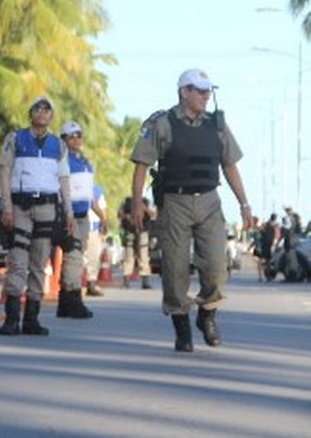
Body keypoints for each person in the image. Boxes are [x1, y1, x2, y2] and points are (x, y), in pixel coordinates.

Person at [129, 69, 253, 352]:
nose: (206, 96)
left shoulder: (217, 125)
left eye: (208, 91)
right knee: (174, 269)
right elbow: (141, 165)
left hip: (209, 201)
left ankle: (207, 313)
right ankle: (181, 324)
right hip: (175, 202)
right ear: (184, 92)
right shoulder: (162, 123)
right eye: (200, 91)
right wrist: (137, 202)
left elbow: (230, 165)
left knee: (216, 267)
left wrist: (244, 204)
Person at [0, 96, 74, 336]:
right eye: (37, 109)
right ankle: (11, 319)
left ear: (51, 116)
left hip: (47, 207)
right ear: (30, 114)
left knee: (40, 262)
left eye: (46, 110)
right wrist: (7, 207)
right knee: (18, 261)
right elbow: (4, 170)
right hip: (21, 206)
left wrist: (68, 212)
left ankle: (31, 318)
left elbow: (63, 180)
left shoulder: (58, 146)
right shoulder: (15, 138)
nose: (41, 113)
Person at [56, 120, 99, 319]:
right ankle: (72, 299)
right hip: (69, 214)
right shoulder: (62, 161)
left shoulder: (83, 161)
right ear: (63, 139)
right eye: (71, 136)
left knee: (76, 258)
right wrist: (67, 213)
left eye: (78, 135)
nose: (76, 139)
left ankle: (65, 302)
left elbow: (89, 193)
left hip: (83, 215)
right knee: (73, 258)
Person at [119, 196, 153, 289]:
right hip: (129, 231)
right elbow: (120, 215)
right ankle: (126, 280)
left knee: (143, 256)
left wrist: (144, 208)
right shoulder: (126, 202)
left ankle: (145, 280)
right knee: (128, 256)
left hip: (142, 231)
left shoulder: (146, 202)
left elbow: (153, 214)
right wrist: (127, 216)